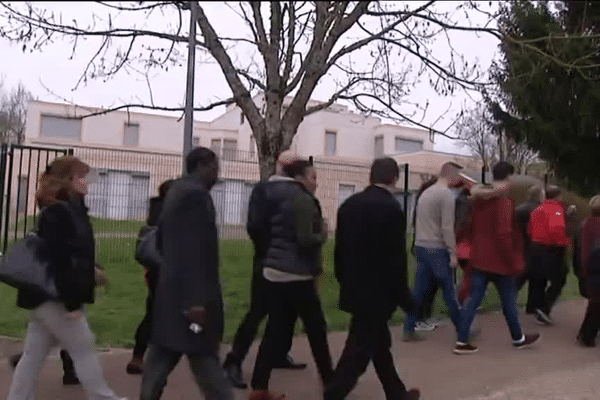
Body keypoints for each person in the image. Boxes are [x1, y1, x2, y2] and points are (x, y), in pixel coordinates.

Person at [7, 156, 127, 400]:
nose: (88, 183)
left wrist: (92, 270)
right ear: (70, 180)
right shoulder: (60, 213)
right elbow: (60, 259)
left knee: (33, 356)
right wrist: (72, 303)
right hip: (58, 297)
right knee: (83, 350)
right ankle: (104, 397)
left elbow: (74, 252)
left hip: (49, 296)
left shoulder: (69, 210)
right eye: (83, 177)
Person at [140, 147, 232, 400]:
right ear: (203, 165)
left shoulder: (176, 191)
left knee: (163, 353)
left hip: (171, 291)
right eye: (215, 168)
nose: (217, 174)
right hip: (191, 298)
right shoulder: (196, 196)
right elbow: (194, 251)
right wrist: (196, 300)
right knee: (203, 356)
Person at [324, 157, 419, 400]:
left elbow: (340, 252)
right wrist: (405, 299)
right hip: (379, 292)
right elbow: (395, 260)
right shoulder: (392, 210)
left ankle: (396, 393)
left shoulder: (349, 206)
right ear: (395, 178)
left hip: (355, 287)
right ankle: (334, 392)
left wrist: (344, 280)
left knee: (378, 344)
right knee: (358, 350)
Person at [249, 159, 333, 400]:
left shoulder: (278, 197)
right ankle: (330, 385)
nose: (316, 183)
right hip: (297, 274)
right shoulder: (304, 200)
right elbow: (307, 239)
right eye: (313, 177)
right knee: (316, 330)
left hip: (274, 271)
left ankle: (259, 387)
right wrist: (323, 232)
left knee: (274, 329)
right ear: (300, 178)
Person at [223, 151, 307, 389]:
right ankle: (234, 360)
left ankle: (279, 352)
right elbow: (255, 225)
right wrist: (269, 251)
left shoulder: (287, 191)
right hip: (269, 259)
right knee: (259, 310)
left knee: (288, 311)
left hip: (282, 258)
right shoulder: (264, 190)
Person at [455, 161, 540, 354]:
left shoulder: (478, 199)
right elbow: (503, 234)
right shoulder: (503, 202)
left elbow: (472, 225)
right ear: (509, 177)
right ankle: (518, 338)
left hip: (479, 257)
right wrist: (511, 261)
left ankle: (461, 340)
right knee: (508, 301)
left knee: (473, 299)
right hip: (499, 261)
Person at [403, 162, 464, 341]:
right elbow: (447, 227)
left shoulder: (426, 193)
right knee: (449, 291)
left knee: (419, 291)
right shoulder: (446, 195)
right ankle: (463, 329)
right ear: (451, 175)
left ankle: (409, 328)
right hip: (437, 248)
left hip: (422, 245)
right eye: (458, 175)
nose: (459, 179)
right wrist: (453, 252)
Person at [126, 178, 176, 375]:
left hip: (154, 272)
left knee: (153, 313)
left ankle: (138, 356)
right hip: (169, 271)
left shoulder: (155, 211)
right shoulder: (171, 212)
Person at [527, 185, 571, 325]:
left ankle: (536, 306)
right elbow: (556, 228)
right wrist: (563, 243)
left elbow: (530, 229)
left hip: (535, 246)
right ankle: (545, 308)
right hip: (551, 248)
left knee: (539, 278)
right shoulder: (556, 209)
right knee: (560, 278)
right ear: (558, 196)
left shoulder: (537, 209)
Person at [411, 177, 440, 332]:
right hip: (431, 246)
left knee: (427, 285)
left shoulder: (422, 201)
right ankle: (419, 318)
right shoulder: (430, 202)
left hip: (424, 245)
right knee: (428, 285)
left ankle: (420, 317)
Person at [574, 195, 600, 347]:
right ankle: (587, 334)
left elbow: (581, 250)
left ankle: (587, 333)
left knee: (595, 303)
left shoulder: (584, 224)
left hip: (589, 268)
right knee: (596, 304)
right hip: (595, 267)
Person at [514, 185, 545, 314]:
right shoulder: (540, 210)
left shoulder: (519, 209)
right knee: (537, 279)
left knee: (520, 276)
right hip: (535, 246)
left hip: (520, 245)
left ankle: (509, 298)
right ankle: (533, 306)